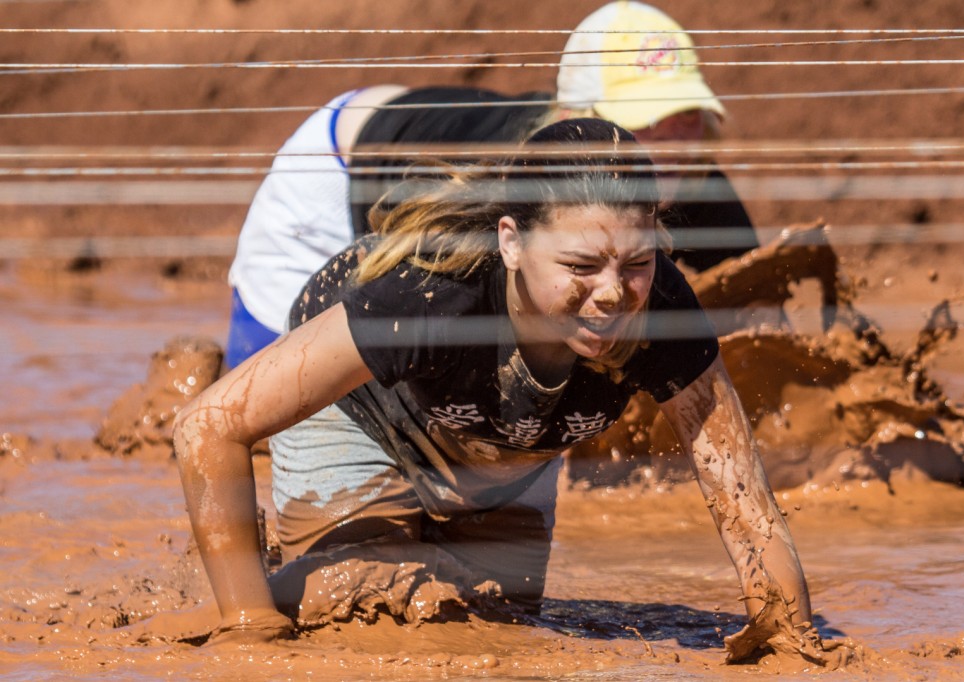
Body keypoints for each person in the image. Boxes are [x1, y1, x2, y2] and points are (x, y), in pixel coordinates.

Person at [173, 118, 819, 662]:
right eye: (580, 266)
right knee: (368, 605)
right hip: (365, 413)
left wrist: (790, 630)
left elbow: (743, 499)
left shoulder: (664, 314)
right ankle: (233, 592)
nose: (613, 295)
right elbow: (207, 426)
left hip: (506, 436)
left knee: (491, 621)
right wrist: (247, 623)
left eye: (638, 264)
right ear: (511, 241)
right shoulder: (430, 298)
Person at [225, 0, 758, 368]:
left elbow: (755, 302)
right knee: (276, 385)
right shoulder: (504, 178)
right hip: (337, 164)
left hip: (412, 124)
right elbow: (422, 290)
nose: (669, 147)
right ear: (576, 117)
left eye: (684, 117)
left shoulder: (693, 174)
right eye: (643, 122)